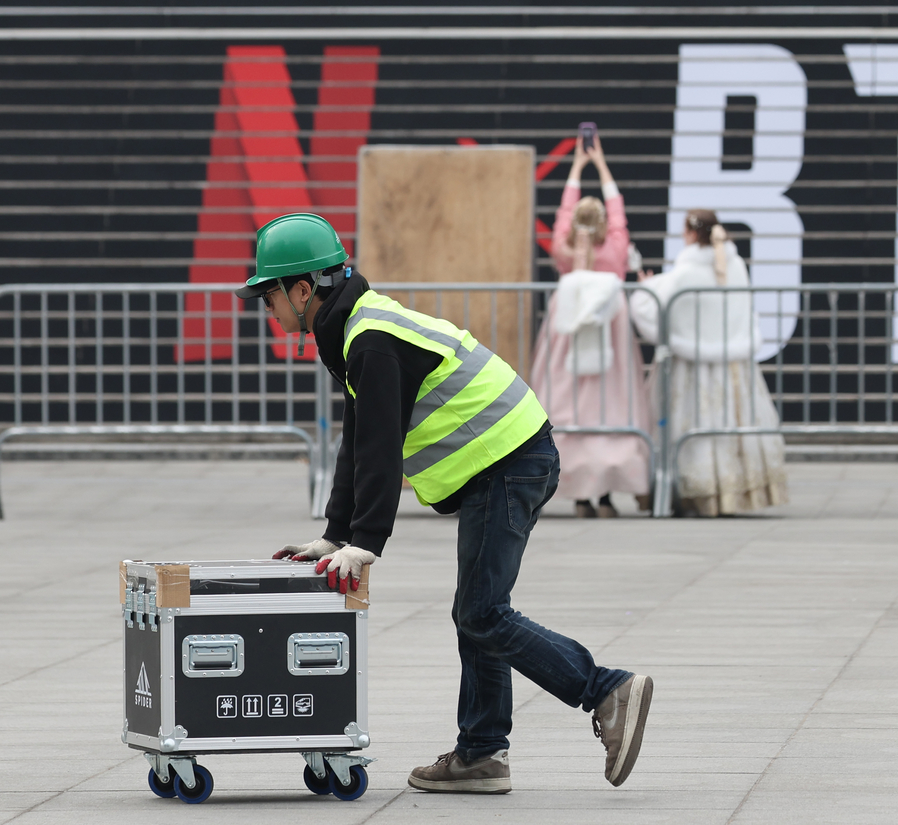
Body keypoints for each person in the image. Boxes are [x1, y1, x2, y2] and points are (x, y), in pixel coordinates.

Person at [238, 213, 654, 793]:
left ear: (303, 290)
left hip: (508, 462)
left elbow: (380, 446)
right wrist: (336, 534)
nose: (267, 308)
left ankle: (605, 689)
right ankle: (482, 754)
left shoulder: (370, 339)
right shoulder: (356, 331)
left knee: (482, 614)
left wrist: (366, 543)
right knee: (478, 612)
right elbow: (358, 441)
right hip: (504, 462)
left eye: (269, 294)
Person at [629, 210, 788, 516]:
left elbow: (654, 310)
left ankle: (693, 493)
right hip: (734, 366)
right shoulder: (736, 265)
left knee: (692, 426)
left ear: (690, 233)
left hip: (691, 365)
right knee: (733, 423)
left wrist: (646, 290)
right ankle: (735, 490)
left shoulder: (686, 272)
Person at [530, 133, 651, 518]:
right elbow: (618, 212)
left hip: (564, 333)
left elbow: (563, 214)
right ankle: (606, 492)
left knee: (565, 399)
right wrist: (599, 164)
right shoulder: (614, 246)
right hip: (609, 332)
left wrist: (578, 167)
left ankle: (576, 490)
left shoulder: (563, 247)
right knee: (613, 401)